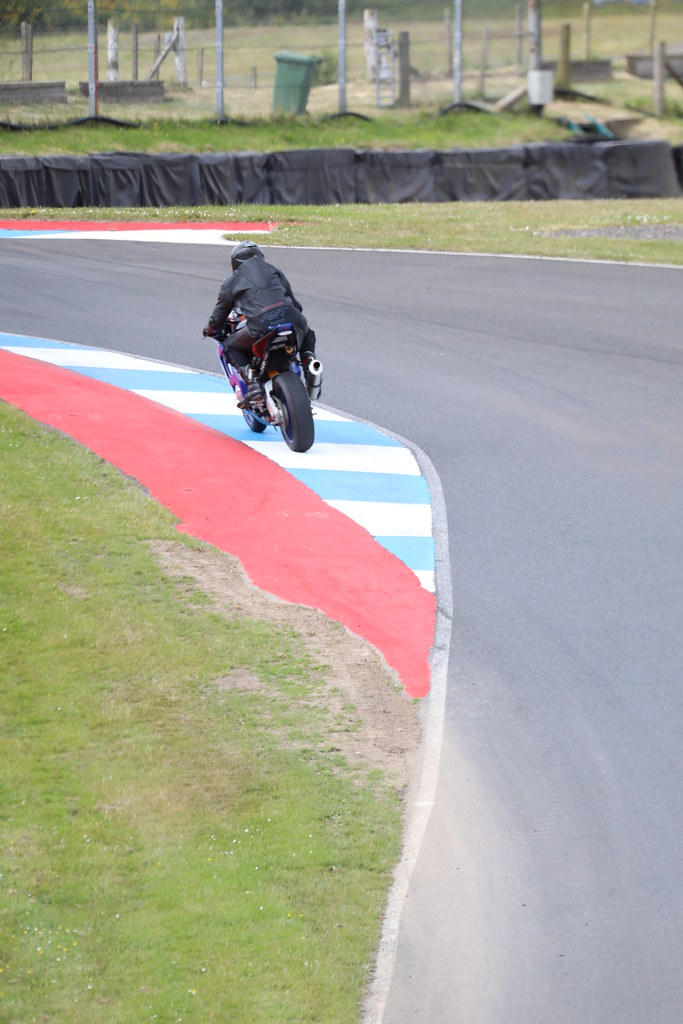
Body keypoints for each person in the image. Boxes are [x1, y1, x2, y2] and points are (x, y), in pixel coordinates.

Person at [203, 241, 320, 404]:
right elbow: (295, 304)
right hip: (292, 318)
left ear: (234, 264)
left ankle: (254, 386)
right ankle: (309, 364)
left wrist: (211, 330)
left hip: (260, 326)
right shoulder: (274, 271)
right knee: (307, 332)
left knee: (230, 346)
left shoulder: (230, 282)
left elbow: (218, 315)